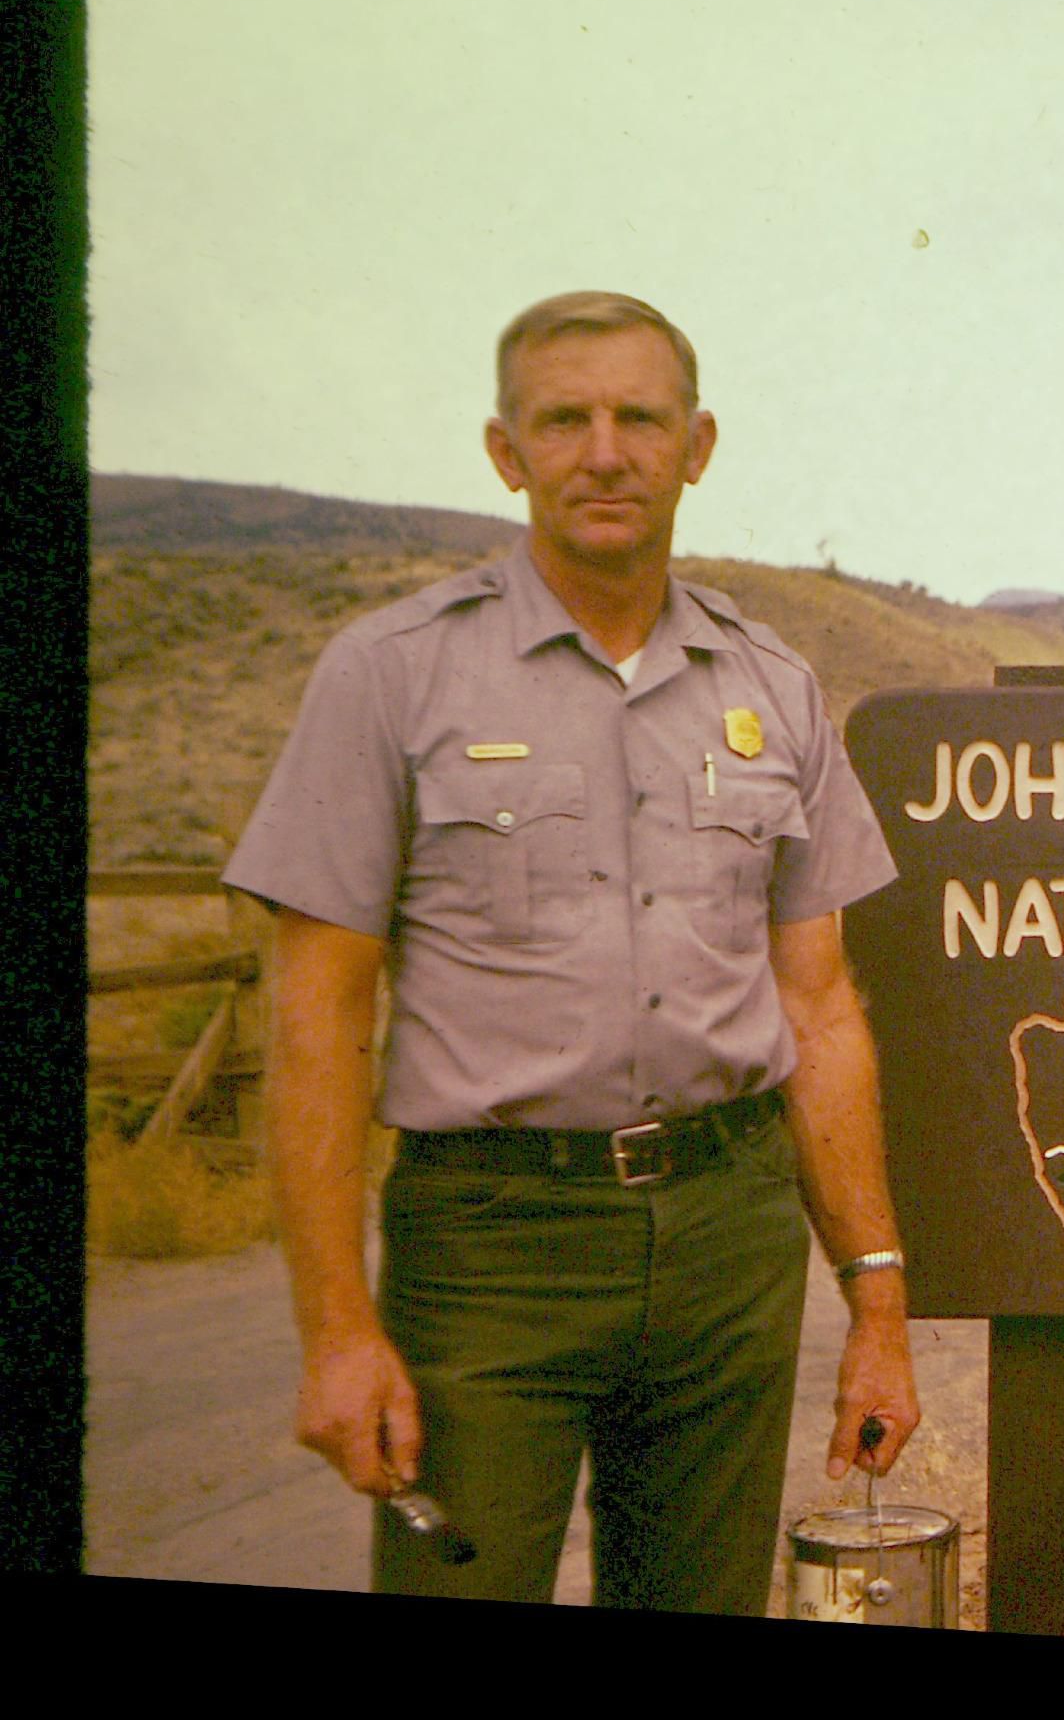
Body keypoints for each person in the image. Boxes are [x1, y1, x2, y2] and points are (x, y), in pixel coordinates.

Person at [226, 291, 921, 1611]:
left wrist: (876, 1306)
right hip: (493, 1245)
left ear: (697, 443)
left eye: (640, 418)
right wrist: (335, 1328)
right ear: (507, 449)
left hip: (729, 1240)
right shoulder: (392, 675)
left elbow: (820, 1012)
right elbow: (317, 1016)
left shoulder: (772, 689)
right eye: (565, 419)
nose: (605, 451)